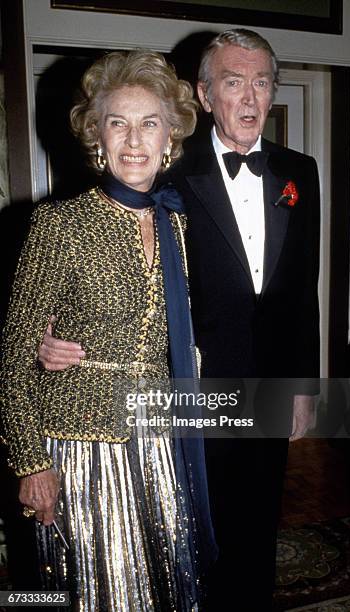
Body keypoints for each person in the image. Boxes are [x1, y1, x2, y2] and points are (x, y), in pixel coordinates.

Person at [38, 29, 320, 611]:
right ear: (205, 92)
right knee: (198, 525)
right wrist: (57, 334)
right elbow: (111, 251)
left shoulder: (300, 171)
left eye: (261, 83)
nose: (248, 98)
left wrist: (304, 385)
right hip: (190, 385)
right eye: (233, 82)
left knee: (261, 515)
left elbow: (301, 290)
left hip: (269, 380)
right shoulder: (164, 163)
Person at [1, 50, 217, 611]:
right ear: (97, 136)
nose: (133, 140)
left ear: (171, 136)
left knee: (165, 582)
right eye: (117, 123)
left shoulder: (182, 225)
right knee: (85, 591)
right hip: (80, 446)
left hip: (161, 442)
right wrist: (31, 463)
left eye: (149, 123)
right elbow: (16, 356)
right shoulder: (60, 224)